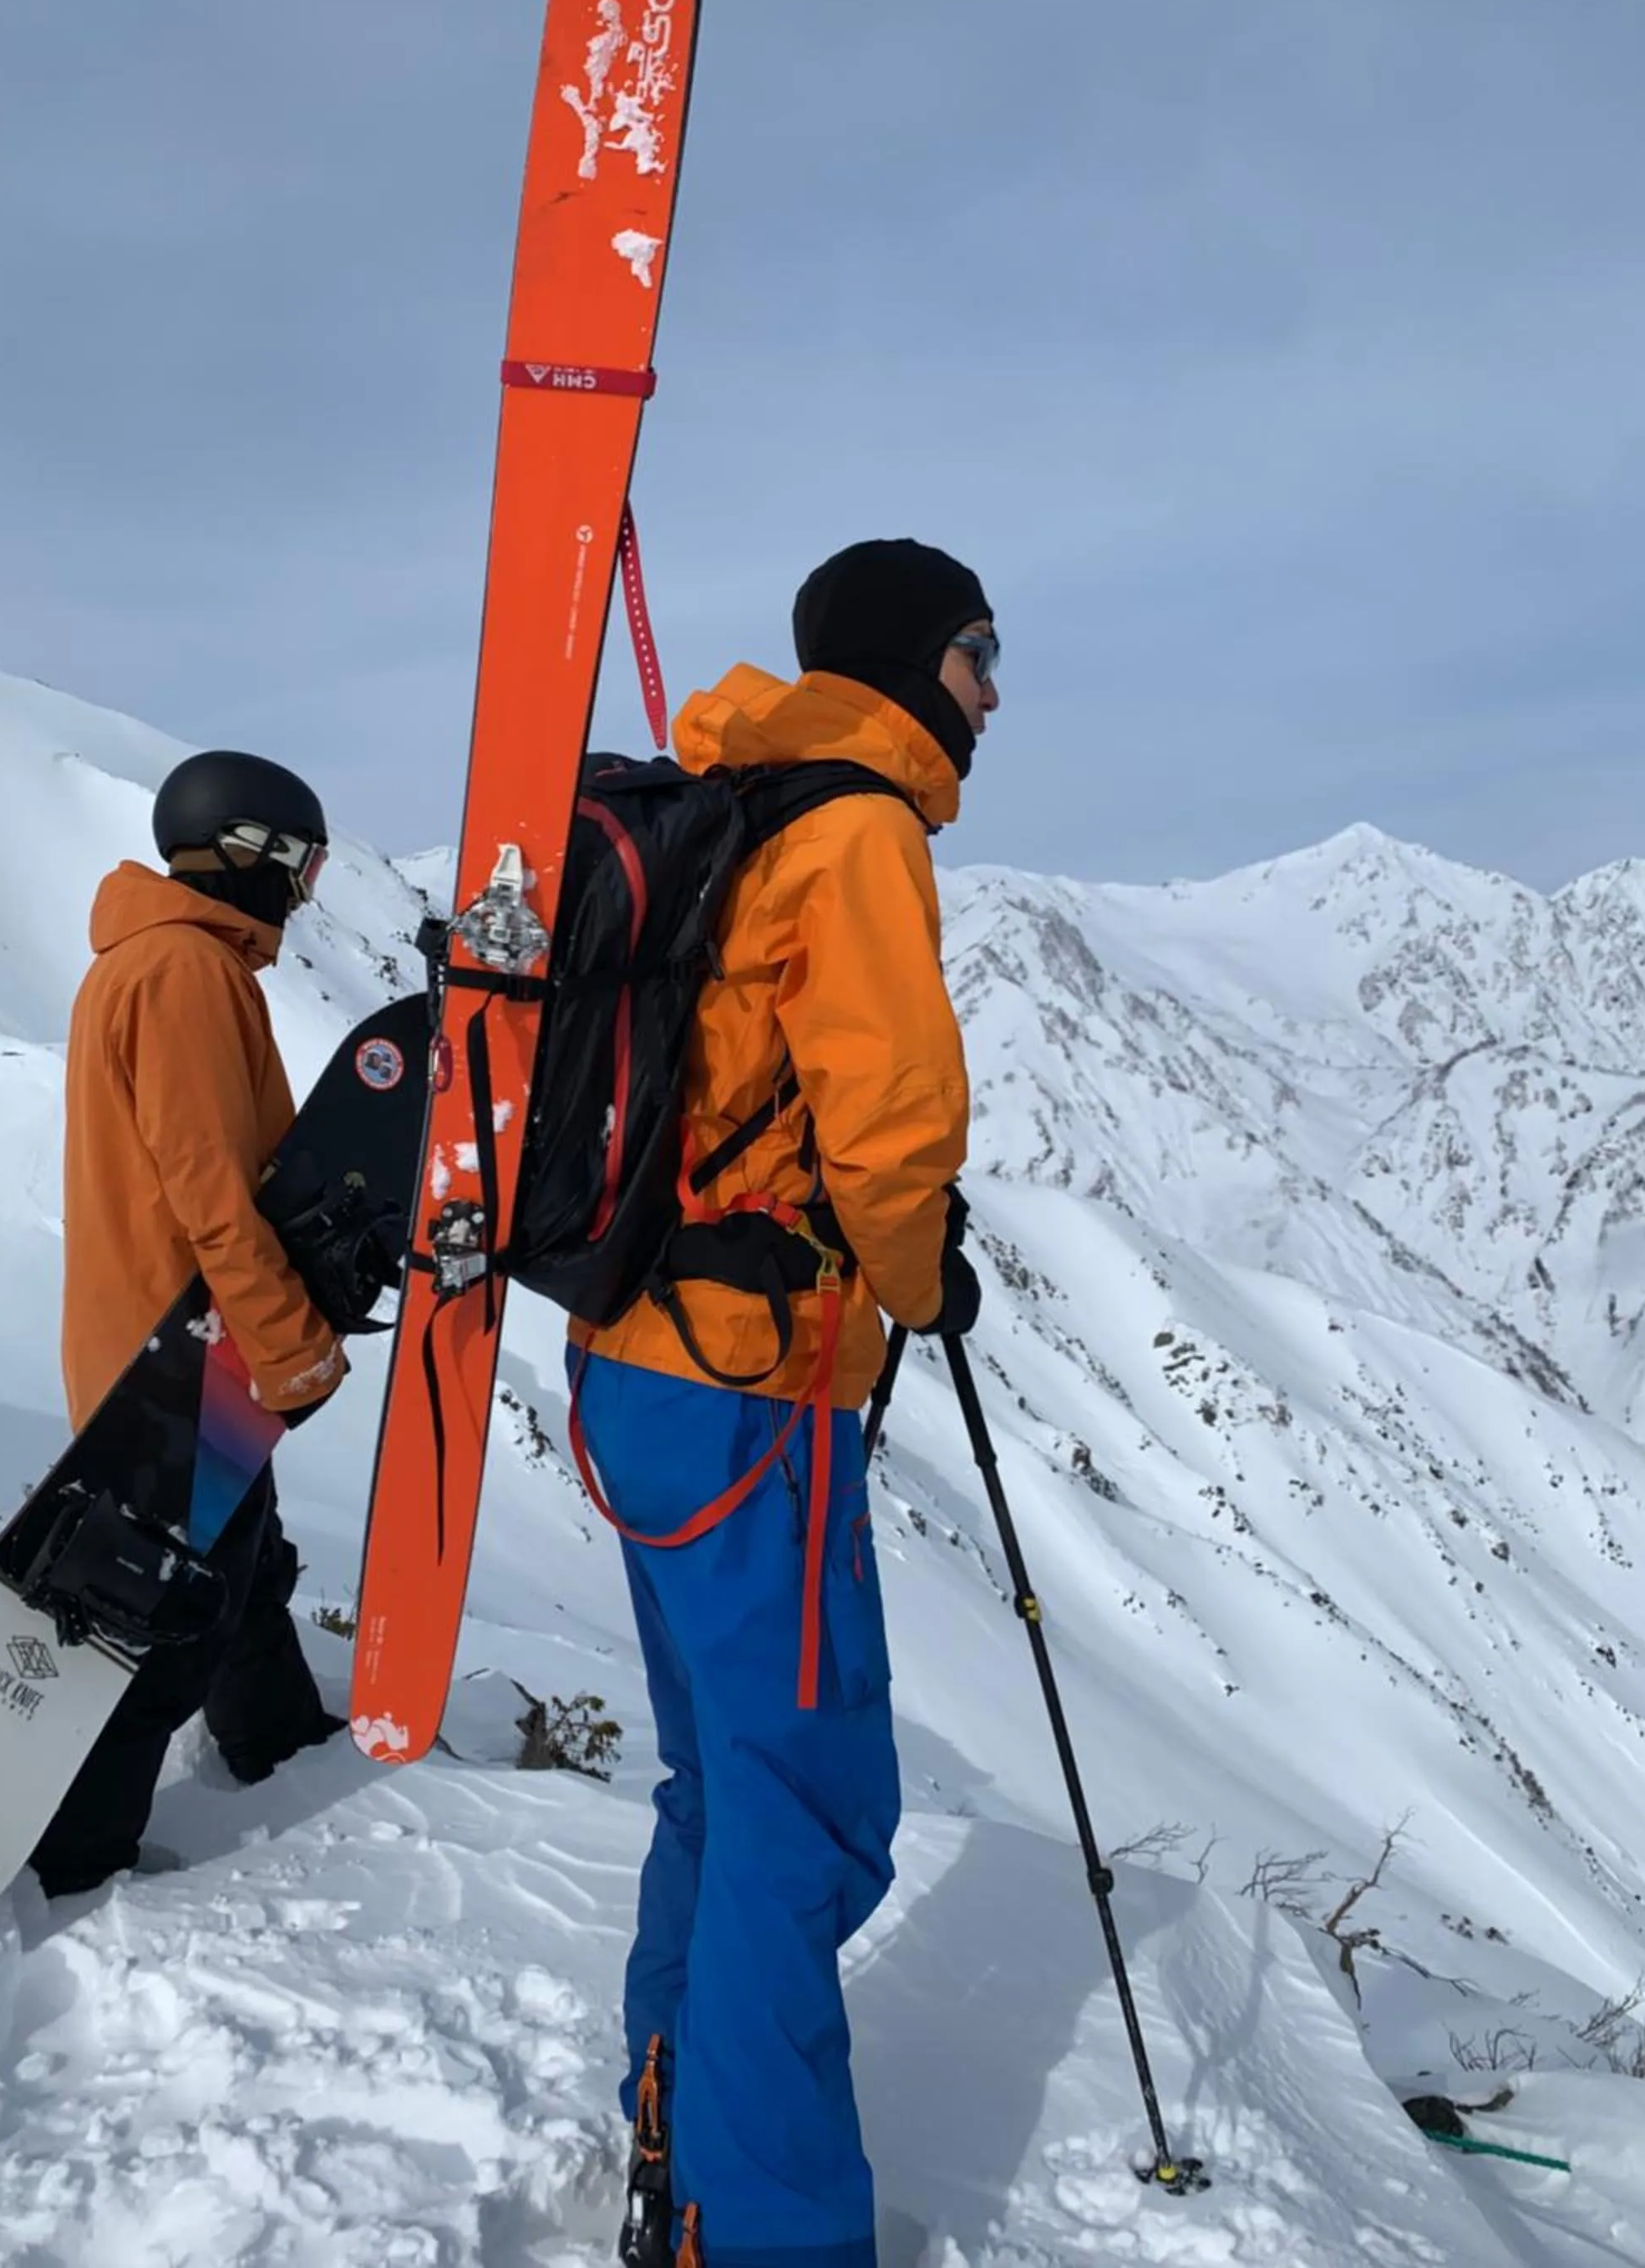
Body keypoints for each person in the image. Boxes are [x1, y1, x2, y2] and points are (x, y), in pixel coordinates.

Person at [568, 540, 996, 2268]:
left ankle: (674, 2130)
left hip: (637, 1361)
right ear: (909, 659)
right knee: (805, 1812)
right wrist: (923, 1280)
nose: (991, 693)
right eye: (978, 654)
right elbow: (889, 1126)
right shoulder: (856, 829)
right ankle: (762, 2234)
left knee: (720, 1786)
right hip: (757, 1388)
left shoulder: (732, 800)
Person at [30, 749, 351, 1899]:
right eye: (302, 863)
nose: (306, 892)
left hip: (161, 1334)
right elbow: (212, 1191)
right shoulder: (183, 974)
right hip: (178, 1348)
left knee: (242, 1561)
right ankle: (75, 1860)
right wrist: (290, 1348)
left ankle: (276, 1744)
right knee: (168, 1614)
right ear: (252, 850)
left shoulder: (166, 962)